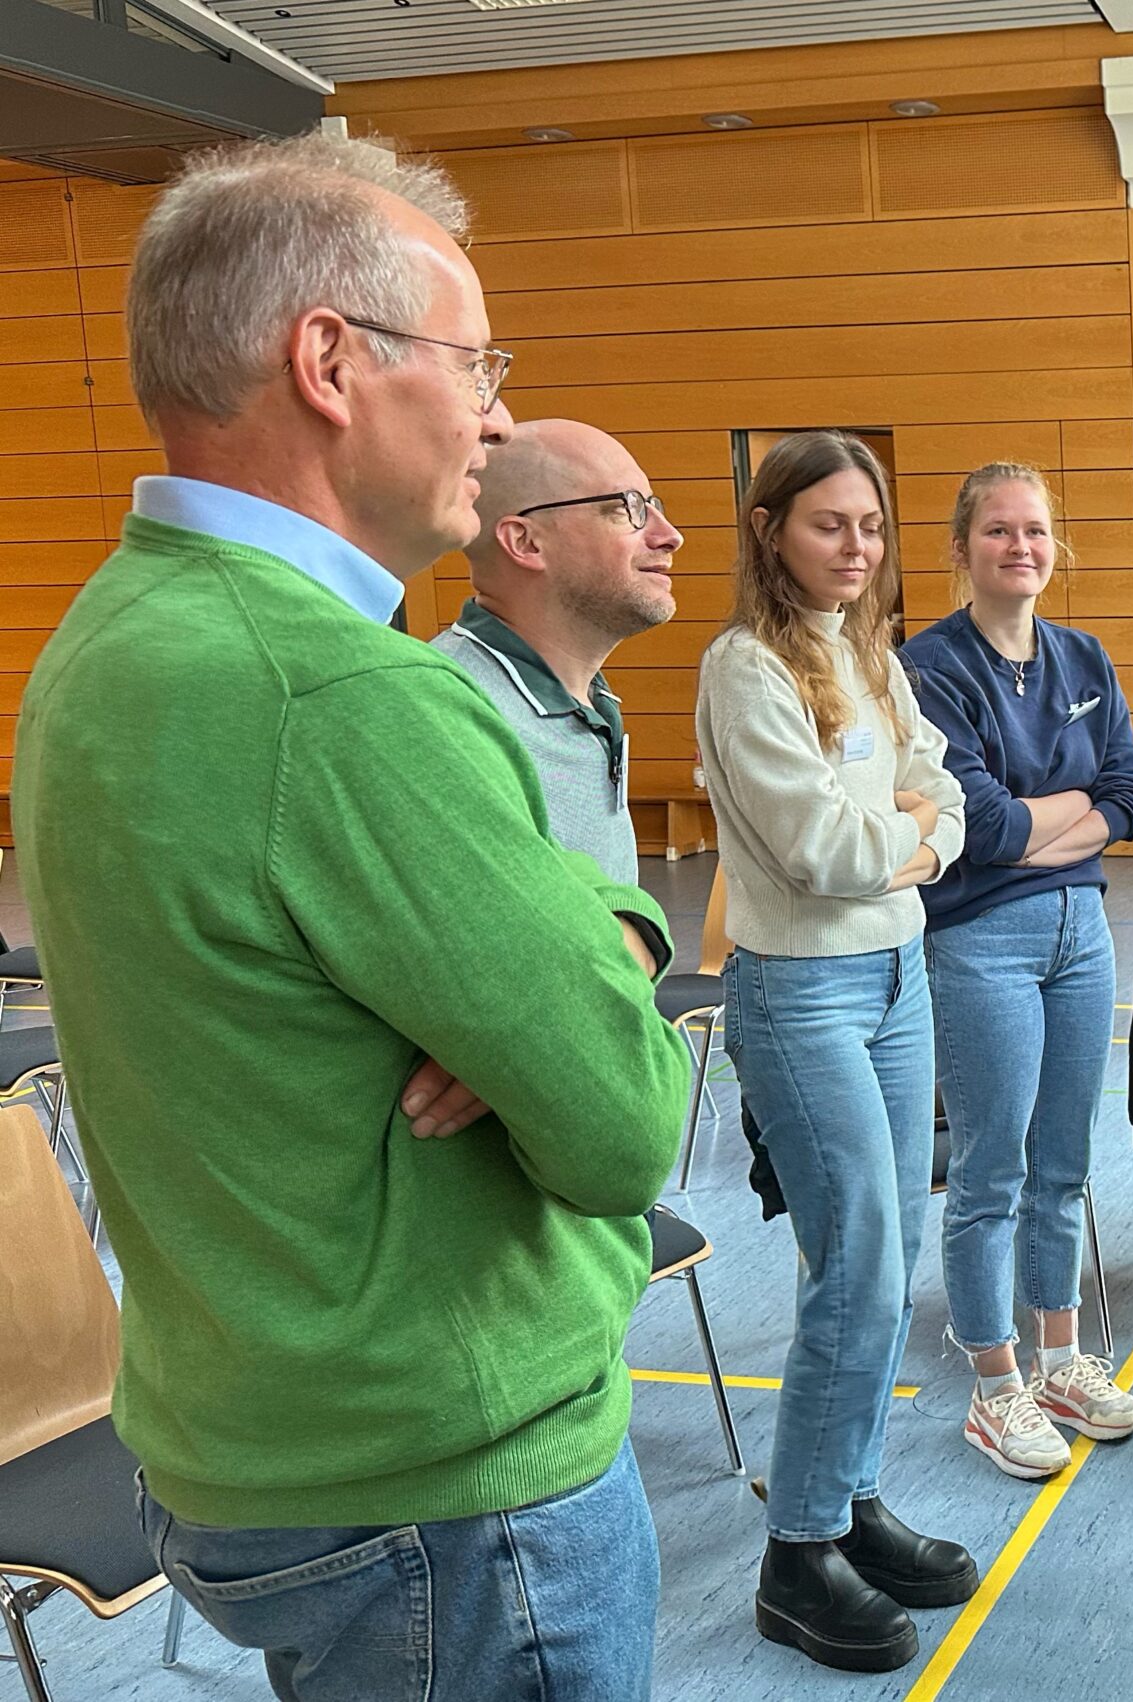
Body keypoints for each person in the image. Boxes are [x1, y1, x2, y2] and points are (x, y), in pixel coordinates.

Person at [15, 132, 698, 1701]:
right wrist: (606, 917)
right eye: (476, 359)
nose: (499, 411)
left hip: (264, 1439)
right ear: (329, 360)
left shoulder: (109, 640)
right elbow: (619, 1125)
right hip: (454, 1492)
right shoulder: (342, 697)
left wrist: (550, 952)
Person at [695, 429, 976, 1674]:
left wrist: (912, 831)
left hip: (895, 971)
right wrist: (906, 834)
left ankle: (847, 1495)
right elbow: (822, 852)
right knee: (854, 1259)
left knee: (892, 1242)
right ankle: (795, 1552)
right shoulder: (743, 667)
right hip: (800, 986)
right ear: (771, 532)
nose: (856, 548)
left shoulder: (869, 654)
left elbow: (945, 793)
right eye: (829, 525)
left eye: (869, 526)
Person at [903, 462, 1133, 1480]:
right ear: (961, 548)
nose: (1021, 546)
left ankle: (1059, 1358)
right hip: (979, 943)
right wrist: (1064, 824)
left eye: (1037, 530)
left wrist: (1030, 833)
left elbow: (1131, 789)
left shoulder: (1083, 654)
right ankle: (995, 1383)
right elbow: (977, 826)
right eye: (999, 530)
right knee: (990, 1170)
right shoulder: (930, 666)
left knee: (1064, 1165)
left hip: (1082, 938)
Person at [432, 419, 684, 882]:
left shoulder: (591, 698)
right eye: (625, 508)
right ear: (525, 542)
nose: (670, 535)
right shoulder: (453, 717)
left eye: (652, 505)